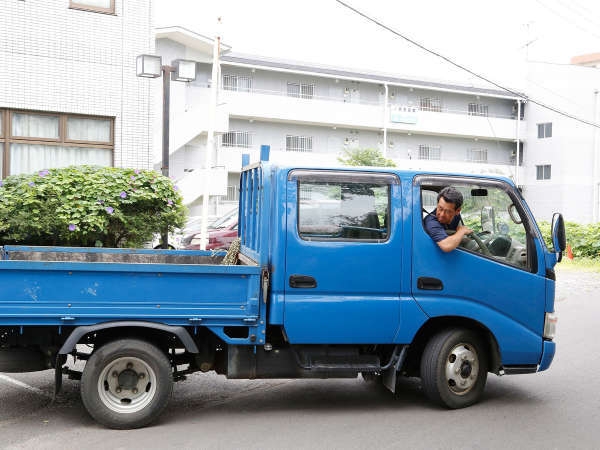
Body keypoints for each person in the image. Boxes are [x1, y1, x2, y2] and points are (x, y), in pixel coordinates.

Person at [424, 186, 473, 253]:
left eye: (448, 211)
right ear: (437, 204)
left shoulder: (456, 217)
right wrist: (461, 231)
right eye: (440, 208)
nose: (442, 214)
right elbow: (446, 246)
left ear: (457, 211)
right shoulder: (431, 222)